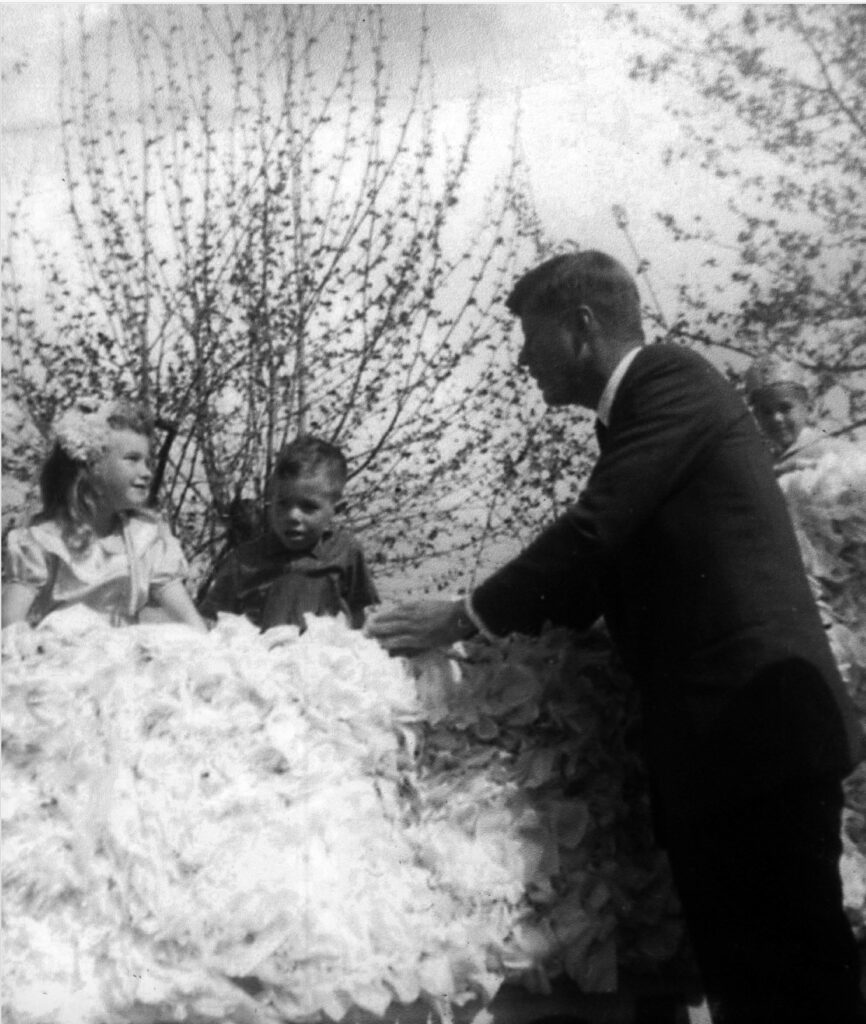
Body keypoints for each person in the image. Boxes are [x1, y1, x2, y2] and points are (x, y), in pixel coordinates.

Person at [368, 250, 866, 1024]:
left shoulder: (672, 380)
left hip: (757, 740)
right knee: (750, 985)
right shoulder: (636, 421)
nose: (523, 359)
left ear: (581, 326)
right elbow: (602, 574)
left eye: (530, 338)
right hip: (720, 754)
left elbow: (594, 535)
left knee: (796, 984)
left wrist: (464, 617)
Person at [2, 398, 206, 631]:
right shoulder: (45, 540)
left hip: (122, 659)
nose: (147, 472)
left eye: (147, 462)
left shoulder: (146, 538)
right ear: (92, 467)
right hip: (64, 657)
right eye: (132, 460)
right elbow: (9, 622)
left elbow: (188, 618)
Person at [199, 435, 378, 630]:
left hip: (324, 655)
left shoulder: (345, 552)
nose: (292, 516)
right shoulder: (244, 561)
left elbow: (360, 615)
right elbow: (211, 621)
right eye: (282, 504)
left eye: (308, 507)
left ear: (337, 509)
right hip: (260, 656)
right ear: (270, 501)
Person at [744, 353, 847, 476]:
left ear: (809, 409)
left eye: (785, 408)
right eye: (766, 412)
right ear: (756, 416)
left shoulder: (833, 452)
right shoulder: (762, 466)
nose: (776, 418)